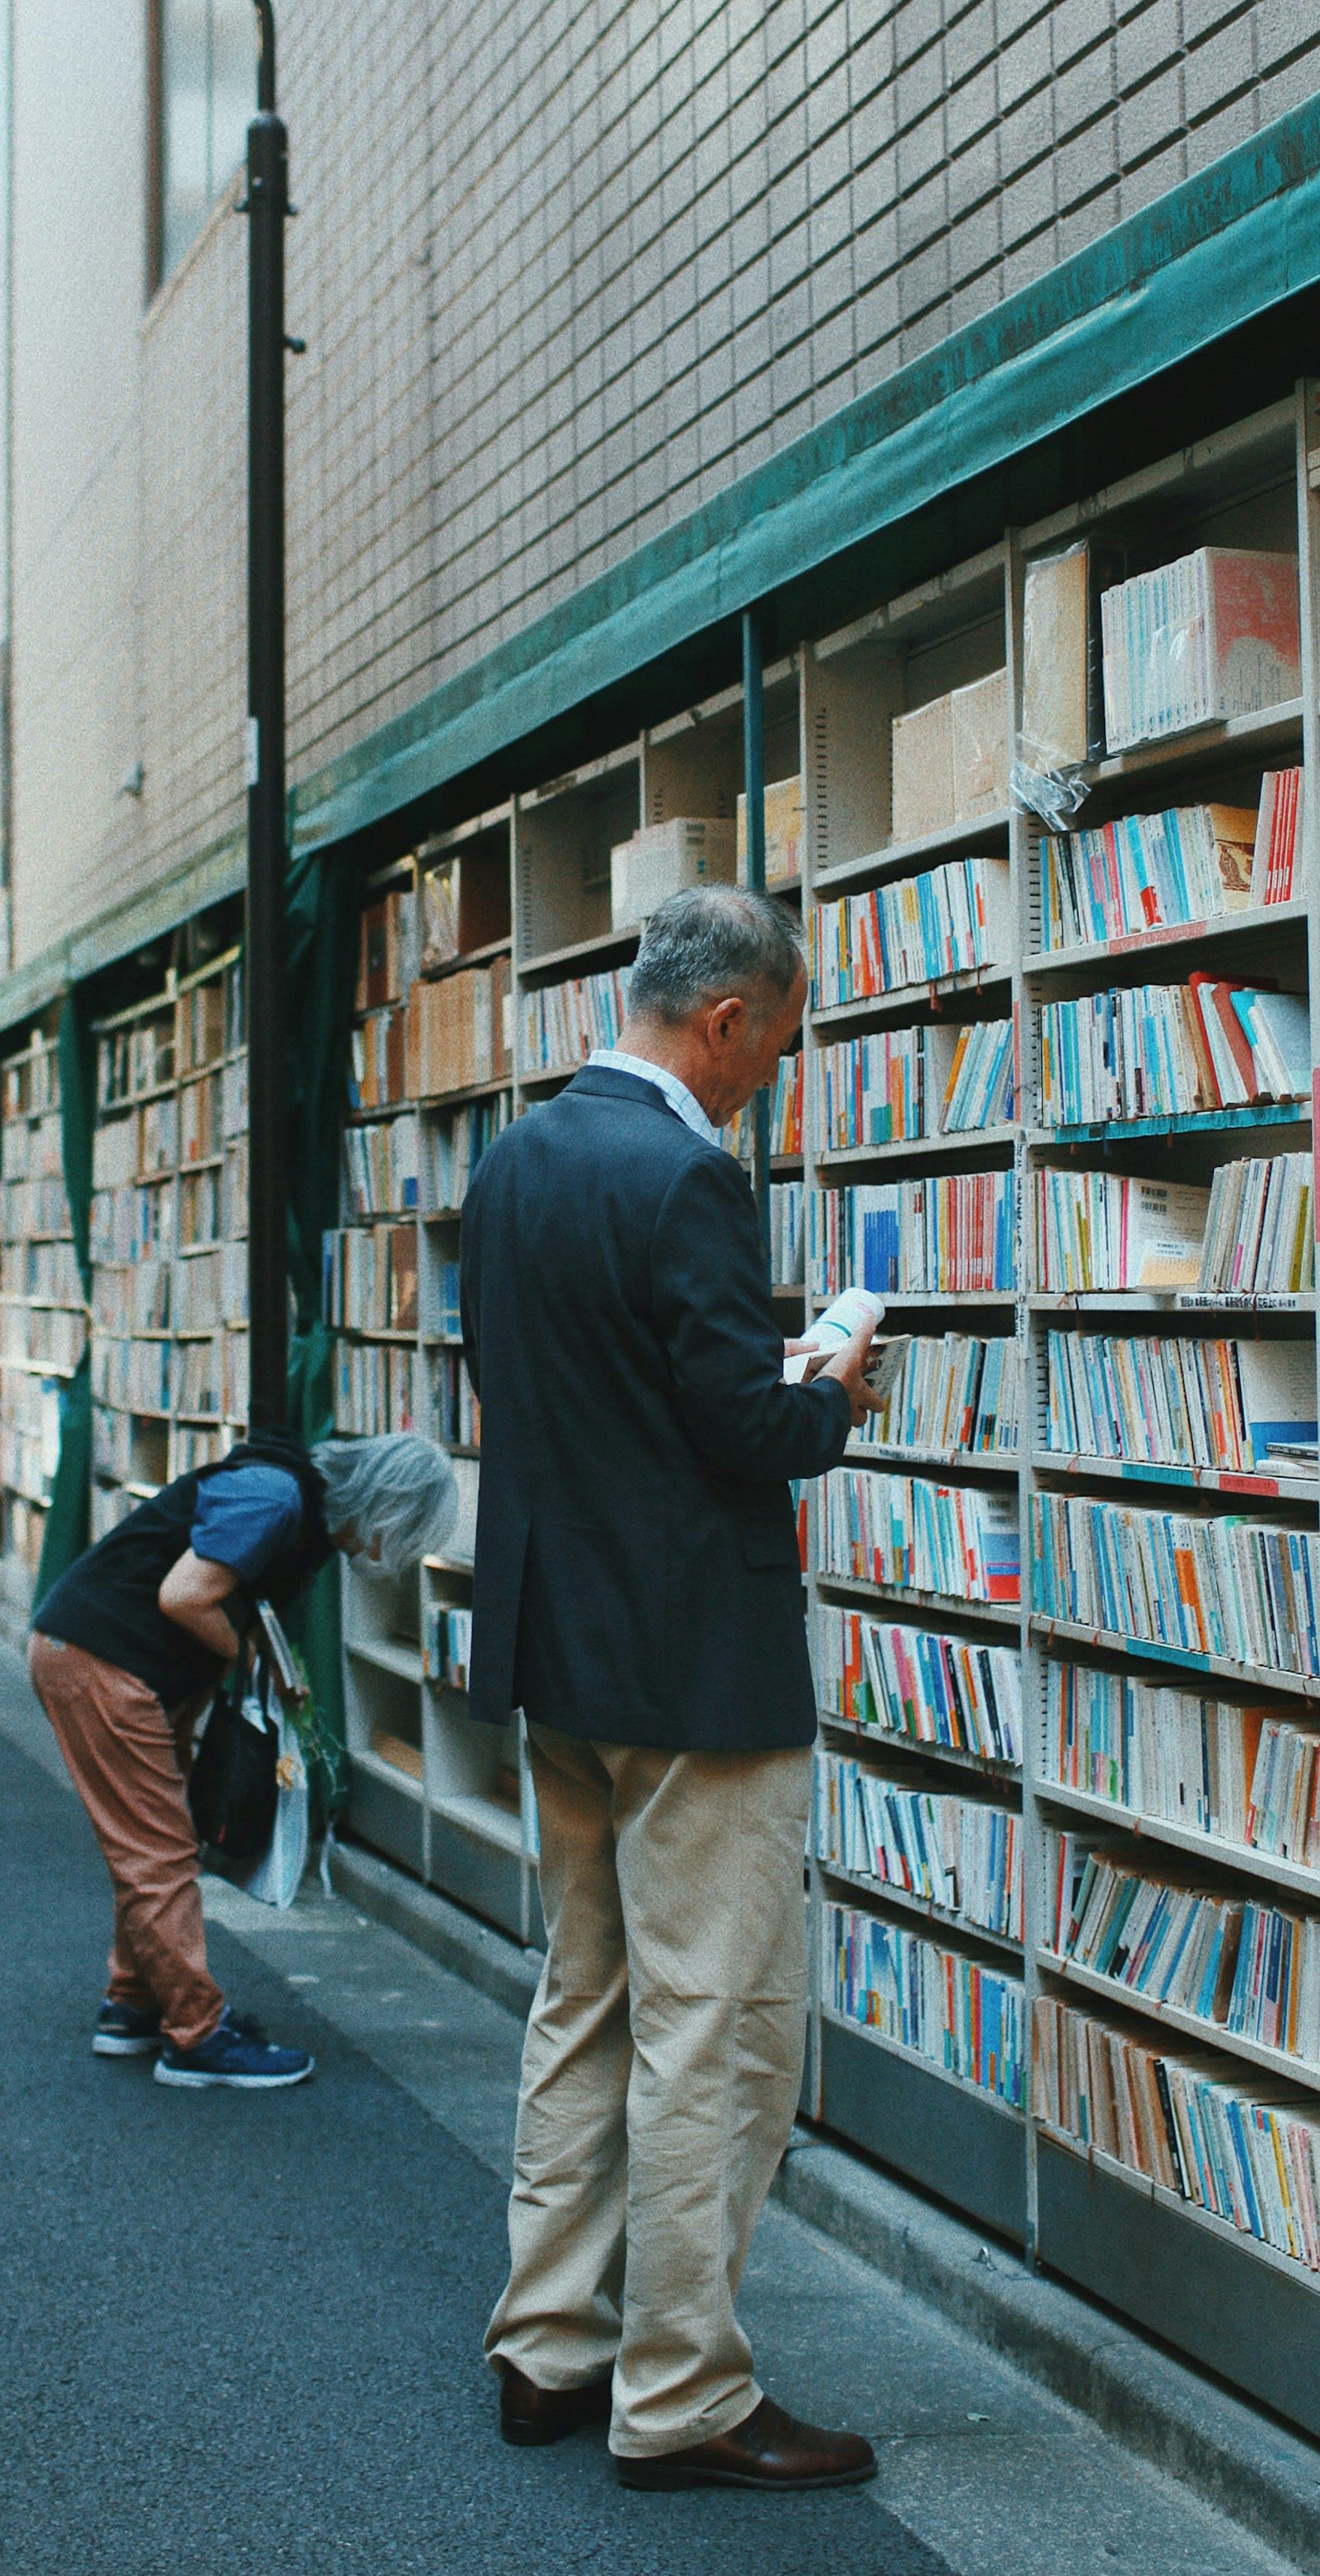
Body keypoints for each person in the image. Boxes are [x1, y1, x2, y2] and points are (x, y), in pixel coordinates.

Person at [462, 884, 880, 2493]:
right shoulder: (691, 1179)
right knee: (714, 2024)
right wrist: (829, 1388)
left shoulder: (515, 1159)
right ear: (724, 1018)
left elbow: (561, 1392)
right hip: (694, 1666)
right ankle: (685, 2390)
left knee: (584, 1994)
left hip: (560, 1643)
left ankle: (546, 2344)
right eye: (776, 1040)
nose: (772, 1069)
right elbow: (735, 1430)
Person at [29, 1427, 456, 2089]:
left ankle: (134, 2003)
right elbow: (185, 1595)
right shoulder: (274, 1496)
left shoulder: (289, 1501)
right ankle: (196, 2036)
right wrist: (244, 1653)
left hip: (108, 1660)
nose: (387, 1556)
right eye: (398, 1536)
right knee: (158, 1851)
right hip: (105, 1663)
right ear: (386, 1507)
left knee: (152, 1840)